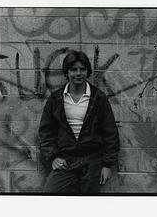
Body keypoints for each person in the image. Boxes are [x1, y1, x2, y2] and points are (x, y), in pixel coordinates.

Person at [38, 50, 120, 194]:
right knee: (49, 194)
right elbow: (46, 131)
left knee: (88, 206)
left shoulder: (98, 98)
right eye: (73, 69)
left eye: (82, 69)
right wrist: (54, 156)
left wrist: (107, 165)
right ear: (67, 72)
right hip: (66, 160)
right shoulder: (56, 99)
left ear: (87, 71)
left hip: (92, 161)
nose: (78, 73)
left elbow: (110, 132)